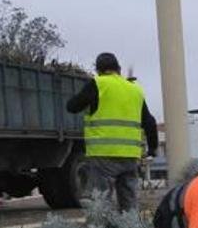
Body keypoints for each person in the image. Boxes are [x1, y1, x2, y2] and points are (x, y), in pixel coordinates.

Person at [67, 52, 159, 211]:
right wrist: (152, 148)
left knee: (102, 202)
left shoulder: (98, 84)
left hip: (103, 155)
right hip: (130, 156)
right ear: (119, 69)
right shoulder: (135, 90)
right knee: (129, 203)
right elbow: (150, 122)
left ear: (98, 70)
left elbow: (72, 107)